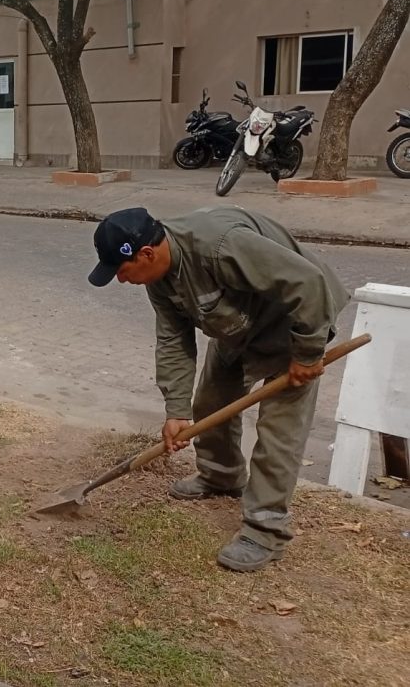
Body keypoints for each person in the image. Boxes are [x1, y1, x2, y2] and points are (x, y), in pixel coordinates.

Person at [87, 206, 349, 572]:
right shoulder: (159, 278)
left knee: (278, 433)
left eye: (121, 270)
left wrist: (307, 354)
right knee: (209, 402)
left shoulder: (221, 246)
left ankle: (265, 532)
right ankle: (221, 475)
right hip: (237, 327)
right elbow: (173, 338)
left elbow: (306, 283)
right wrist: (176, 410)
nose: (121, 280)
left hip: (293, 325)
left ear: (146, 254)